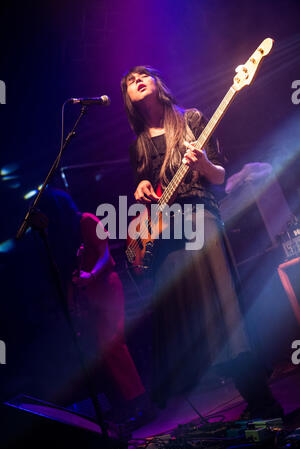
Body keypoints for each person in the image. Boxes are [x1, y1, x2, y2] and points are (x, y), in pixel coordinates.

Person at [121, 65, 283, 419]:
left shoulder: (192, 119)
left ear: (157, 82)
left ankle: (261, 399)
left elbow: (221, 177)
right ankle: (165, 406)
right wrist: (141, 190)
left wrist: (205, 164)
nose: (137, 81)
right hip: (166, 231)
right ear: (128, 98)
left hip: (200, 215)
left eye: (142, 76)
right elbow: (149, 195)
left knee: (223, 306)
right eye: (130, 81)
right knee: (181, 316)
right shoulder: (138, 146)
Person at [37, 188, 147, 423]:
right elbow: (68, 273)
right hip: (86, 295)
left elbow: (105, 254)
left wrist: (91, 275)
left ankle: (140, 404)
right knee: (100, 351)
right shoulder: (60, 234)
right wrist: (71, 302)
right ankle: (125, 404)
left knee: (113, 346)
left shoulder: (86, 220)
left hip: (106, 286)